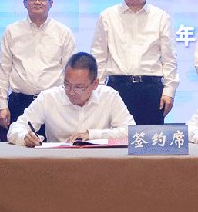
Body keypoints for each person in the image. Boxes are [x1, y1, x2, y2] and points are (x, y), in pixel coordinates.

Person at [91, 0, 178, 125]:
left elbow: (169, 58)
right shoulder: (107, 16)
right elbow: (98, 57)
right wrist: (99, 90)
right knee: (117, 137)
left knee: (151, 138)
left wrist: (169, 91)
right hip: (117, 88)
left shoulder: (160, 17)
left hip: (151, 89)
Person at [0, 0, 76, 129]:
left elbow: (70, 73)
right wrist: (2, 106)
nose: (37, 2)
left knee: (53, 144)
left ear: (51, 3)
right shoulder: (12, 31)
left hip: (53, 103)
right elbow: (3, 70)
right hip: (19, 103)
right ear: (25, 3)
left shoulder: (63, 32)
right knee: (19, 143)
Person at [7, 52, 135, 146]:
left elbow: (132, 133)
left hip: (99, 163)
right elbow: (15, 128)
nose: (71, 92)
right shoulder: (49, 98)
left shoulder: (109, 96)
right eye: (67, 85)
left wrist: (91, 135)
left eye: (79, 87)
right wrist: (25, 138)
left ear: (95, 84)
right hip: (58, 164)